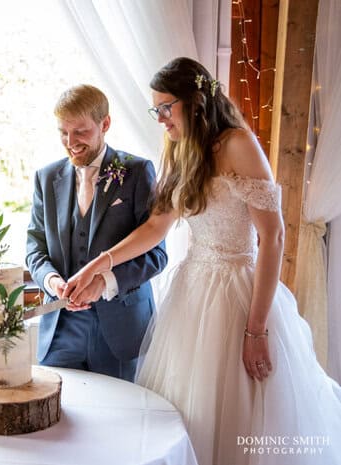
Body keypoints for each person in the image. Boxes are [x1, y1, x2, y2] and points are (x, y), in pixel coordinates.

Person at [63, 57, 341, 464]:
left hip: (239, 295)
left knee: (238, 416)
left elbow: (274, 235)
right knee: (186, 412)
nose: (159, 119)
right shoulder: (179, 148)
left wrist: (256, 329)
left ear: (193, 101)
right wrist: (98, 264)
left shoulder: (237, 144)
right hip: (192, 294)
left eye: (165, 107)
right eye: (155, 110)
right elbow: (157, 227)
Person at [26, 84, 168, 382]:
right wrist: (53, 282)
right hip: (61, 331)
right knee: (57, 418)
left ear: (105, 124)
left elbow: (156, 254)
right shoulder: (46, 177)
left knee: (120, 420)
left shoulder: (137, 172)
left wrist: (105, 281)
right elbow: (35, 249)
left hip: (121, 330)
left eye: (80, 132)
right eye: (63, 132)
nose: (70, 142)